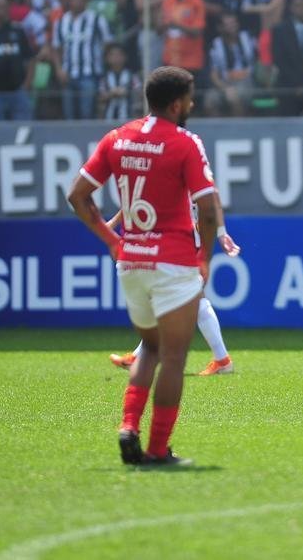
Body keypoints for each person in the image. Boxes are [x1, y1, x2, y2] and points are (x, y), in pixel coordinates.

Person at [66, 66, 220, 468]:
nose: (192, 104)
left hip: (131, 260)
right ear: (177, 103)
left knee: (150, 348)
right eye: (189, 98)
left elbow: (77, 196)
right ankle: (156, 449)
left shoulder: (117, 138)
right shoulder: (186, 143)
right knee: (174, 357)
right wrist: (204, 258)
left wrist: (112, 240)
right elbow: (207, 209)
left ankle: (128, 426)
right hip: (173, 262)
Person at [109, 196, 242, 376]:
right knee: (185, 298)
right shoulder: (194, 178)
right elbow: (212, 198)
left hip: (180, 240)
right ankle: (222, 360)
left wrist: (113, 223)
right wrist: (221, 232)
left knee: (176, 298)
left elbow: (141, 196)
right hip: (178, 238)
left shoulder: (175, 177)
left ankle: (222, 360)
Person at [53, 0, 112, 120]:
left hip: (89, 75)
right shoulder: (61, 22)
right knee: (69, 115)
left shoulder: (97, 20)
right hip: (67, 74)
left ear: (86, 0)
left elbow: (108, 43)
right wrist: (59, 69)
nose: (77, 1)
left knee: (87, 113)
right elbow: (56, 48)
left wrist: (98, 58)